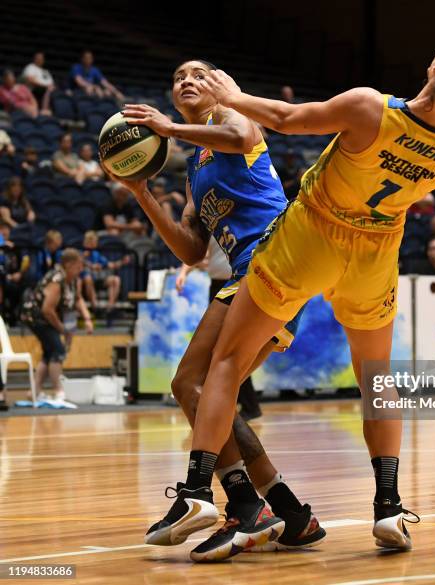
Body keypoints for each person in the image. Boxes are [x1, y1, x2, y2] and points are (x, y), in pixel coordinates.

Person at [192, 32, 435, 550]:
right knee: (376, 380)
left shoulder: (369, 107)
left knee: (227, 363)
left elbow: (288, 120)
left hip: (313, 235)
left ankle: (199, 490)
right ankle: (387, 507)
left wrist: (229, 96)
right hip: (375, 255)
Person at [112, 59, 326, 562]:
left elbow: (238, 135)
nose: (185, 81)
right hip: (251, 275)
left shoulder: (232, 116)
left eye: (196, 75)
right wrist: (142, 192)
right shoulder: (195, 164)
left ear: (216, 85)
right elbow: (191, 249)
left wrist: (167, 129)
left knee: (194, 384)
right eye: (177, 78)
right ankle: (287, 512)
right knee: (204, 392)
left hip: (271, 260)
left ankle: (233, 503)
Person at [176, 238, 262, 420]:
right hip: (217, 285)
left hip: (238, 283)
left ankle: (247, 406)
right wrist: (184, 271)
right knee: (220, 350)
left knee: (229, 348)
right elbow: (199, 251)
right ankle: (244, 406)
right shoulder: (212, 222)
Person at [20, 248, 93, 401]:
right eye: (78, 266)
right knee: (58, 350)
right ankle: (58, 391)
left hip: (50, 318)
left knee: (48, 353)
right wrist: (63, 329)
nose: (81, 269)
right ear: (68, 265)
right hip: (36, 317)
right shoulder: (57, 280)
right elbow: (47, 310)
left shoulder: (72, 279)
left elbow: (78, 299)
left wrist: (87, 319)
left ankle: (34, 391)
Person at [81, 231, 130, 318]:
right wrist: (91, 265)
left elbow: (110, 265)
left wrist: (122, 262)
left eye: (94, 242)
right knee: (88, 278)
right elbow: (79, 263)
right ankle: (95, 308)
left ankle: (109, 309)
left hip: (98, 279)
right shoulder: (80, 254)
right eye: (90, 241)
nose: (92, 244)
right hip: (84, 282)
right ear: (85, 243)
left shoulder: (96, 254)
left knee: (115, 280)